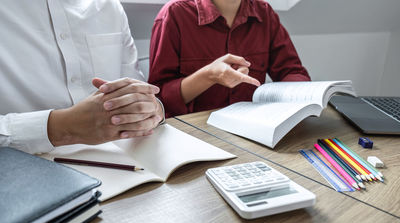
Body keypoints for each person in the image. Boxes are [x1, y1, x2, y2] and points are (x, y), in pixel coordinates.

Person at [0, 0, 165, 154]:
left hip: (123, 157)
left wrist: (150, 109)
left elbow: (138, 95)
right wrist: (63, 127)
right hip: (24, 168)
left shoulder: (109, 6)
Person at [149, 0, 311, 117]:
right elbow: (158, 98)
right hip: (193, 134)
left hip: (254, 128)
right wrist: (208, 76)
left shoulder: (265, 13)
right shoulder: (174, 14)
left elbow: (292, 71)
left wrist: (301, 97)